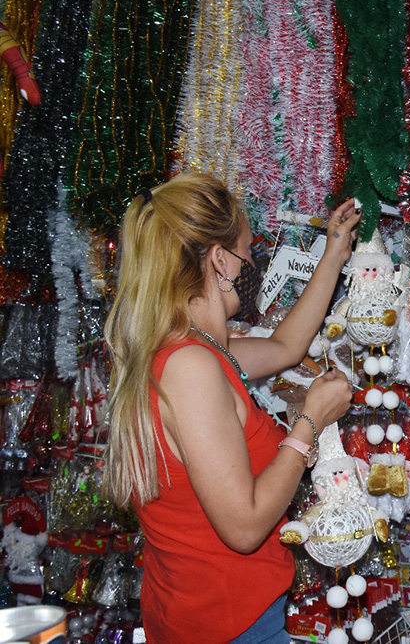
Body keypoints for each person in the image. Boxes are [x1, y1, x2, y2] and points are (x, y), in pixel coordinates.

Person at [102, 173, 361, 643]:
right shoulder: (190, 368)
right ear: (219, 260)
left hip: (215, 618)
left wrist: (334, 253)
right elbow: (243, 526)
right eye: (245, 251)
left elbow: (285, 345)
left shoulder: (192, 352)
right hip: (227, 625)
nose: (250, 265)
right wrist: (309, 422)